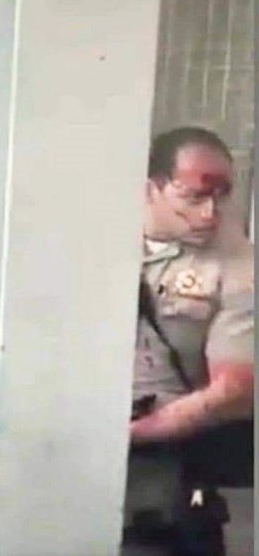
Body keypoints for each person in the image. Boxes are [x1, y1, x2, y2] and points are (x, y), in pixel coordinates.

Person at [123, 127, 254, 556]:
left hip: (168, 440)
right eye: (194, 198)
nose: (209, 214)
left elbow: (235, 390)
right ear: (151, 188)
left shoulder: (239, 263)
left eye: (220, 197)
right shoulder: (94, 236)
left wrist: (136, 433)